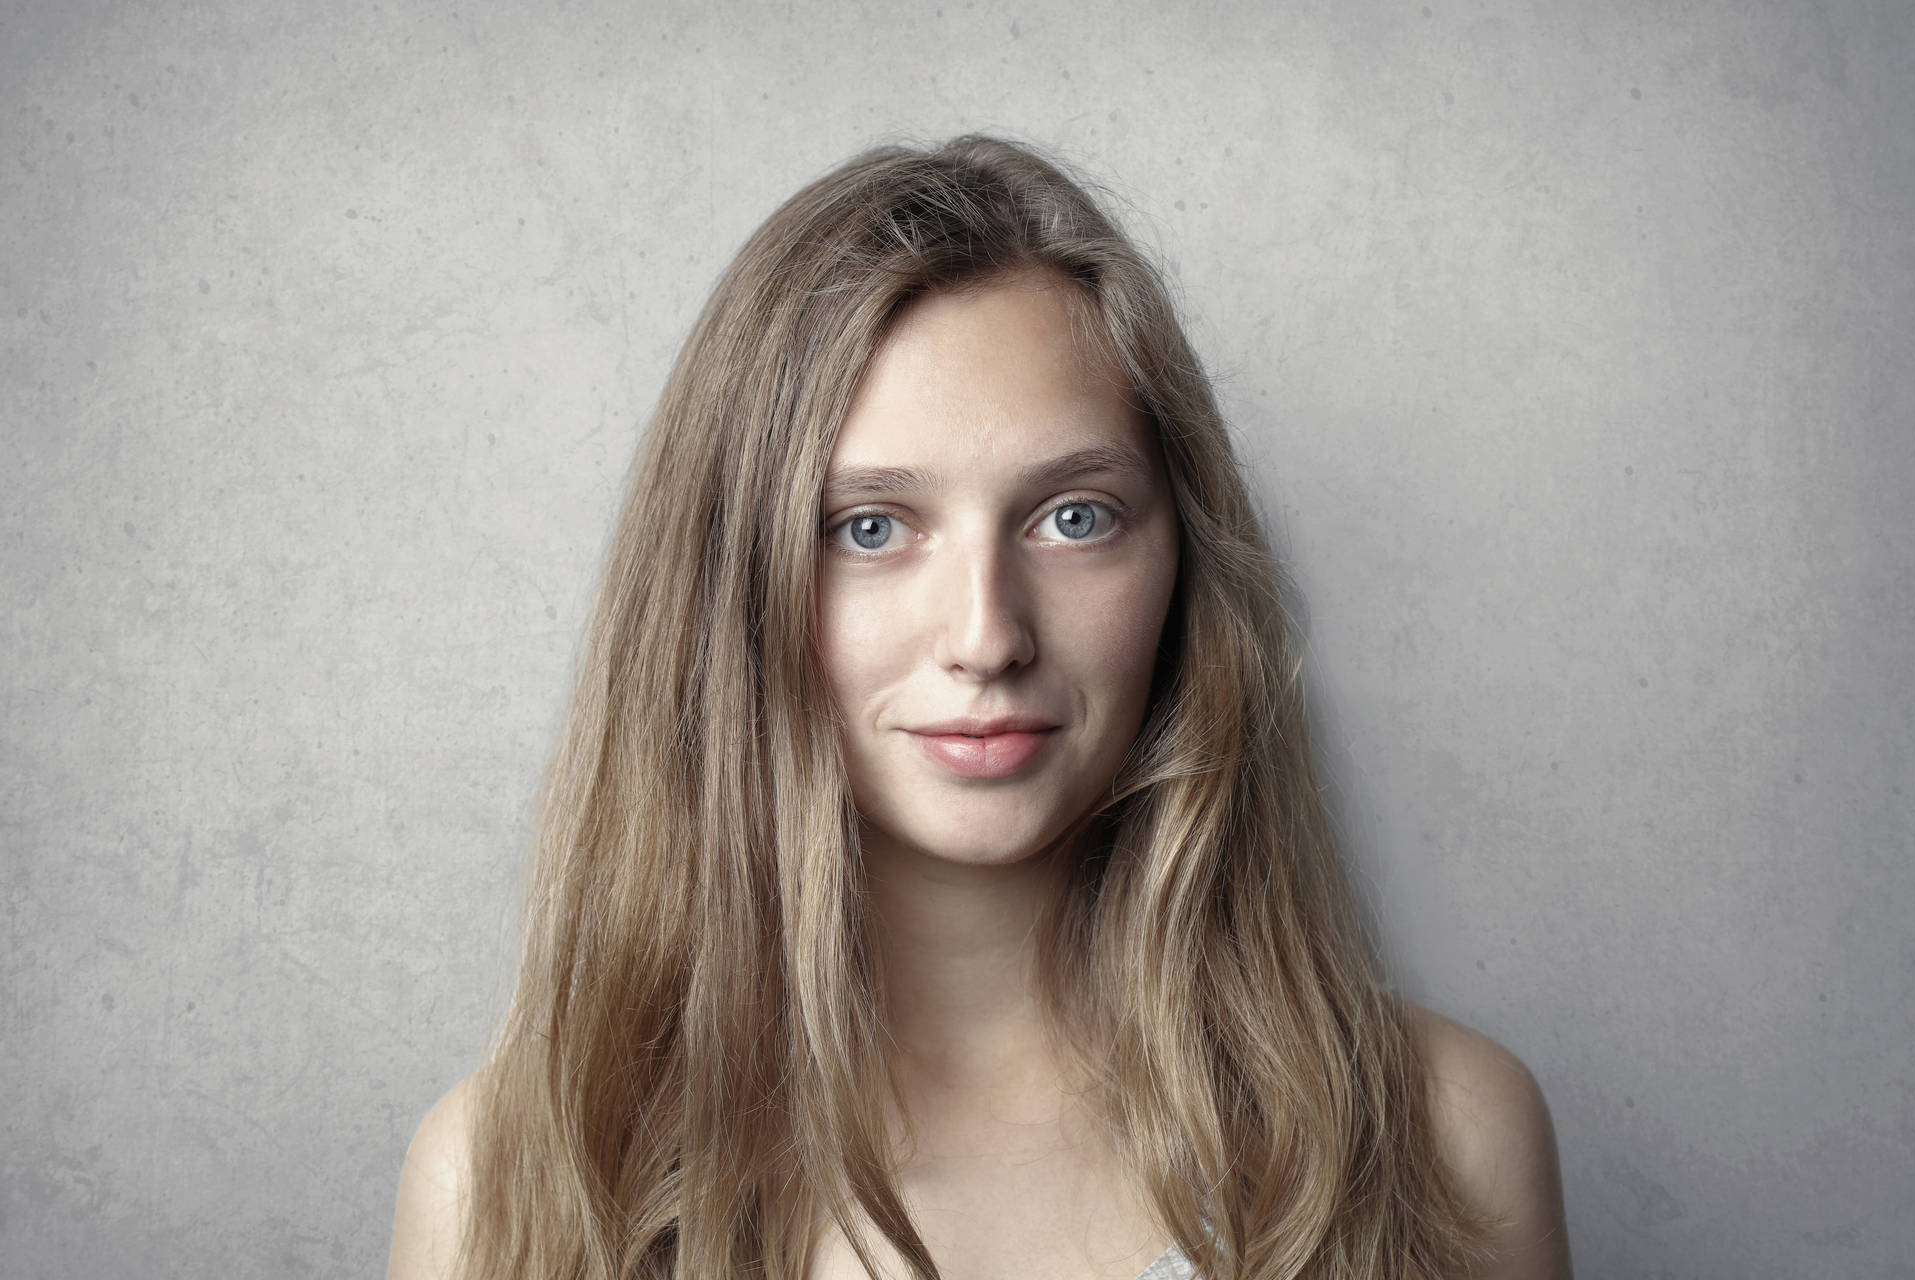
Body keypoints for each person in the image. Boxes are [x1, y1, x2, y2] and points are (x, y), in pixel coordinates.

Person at [387, 135, 1571, 1280]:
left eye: (1074, 516)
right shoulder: (510, 1176)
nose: (987, 636)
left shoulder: (1445, 1137)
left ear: (1186, 566)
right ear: (724, 592)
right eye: (869, 528)